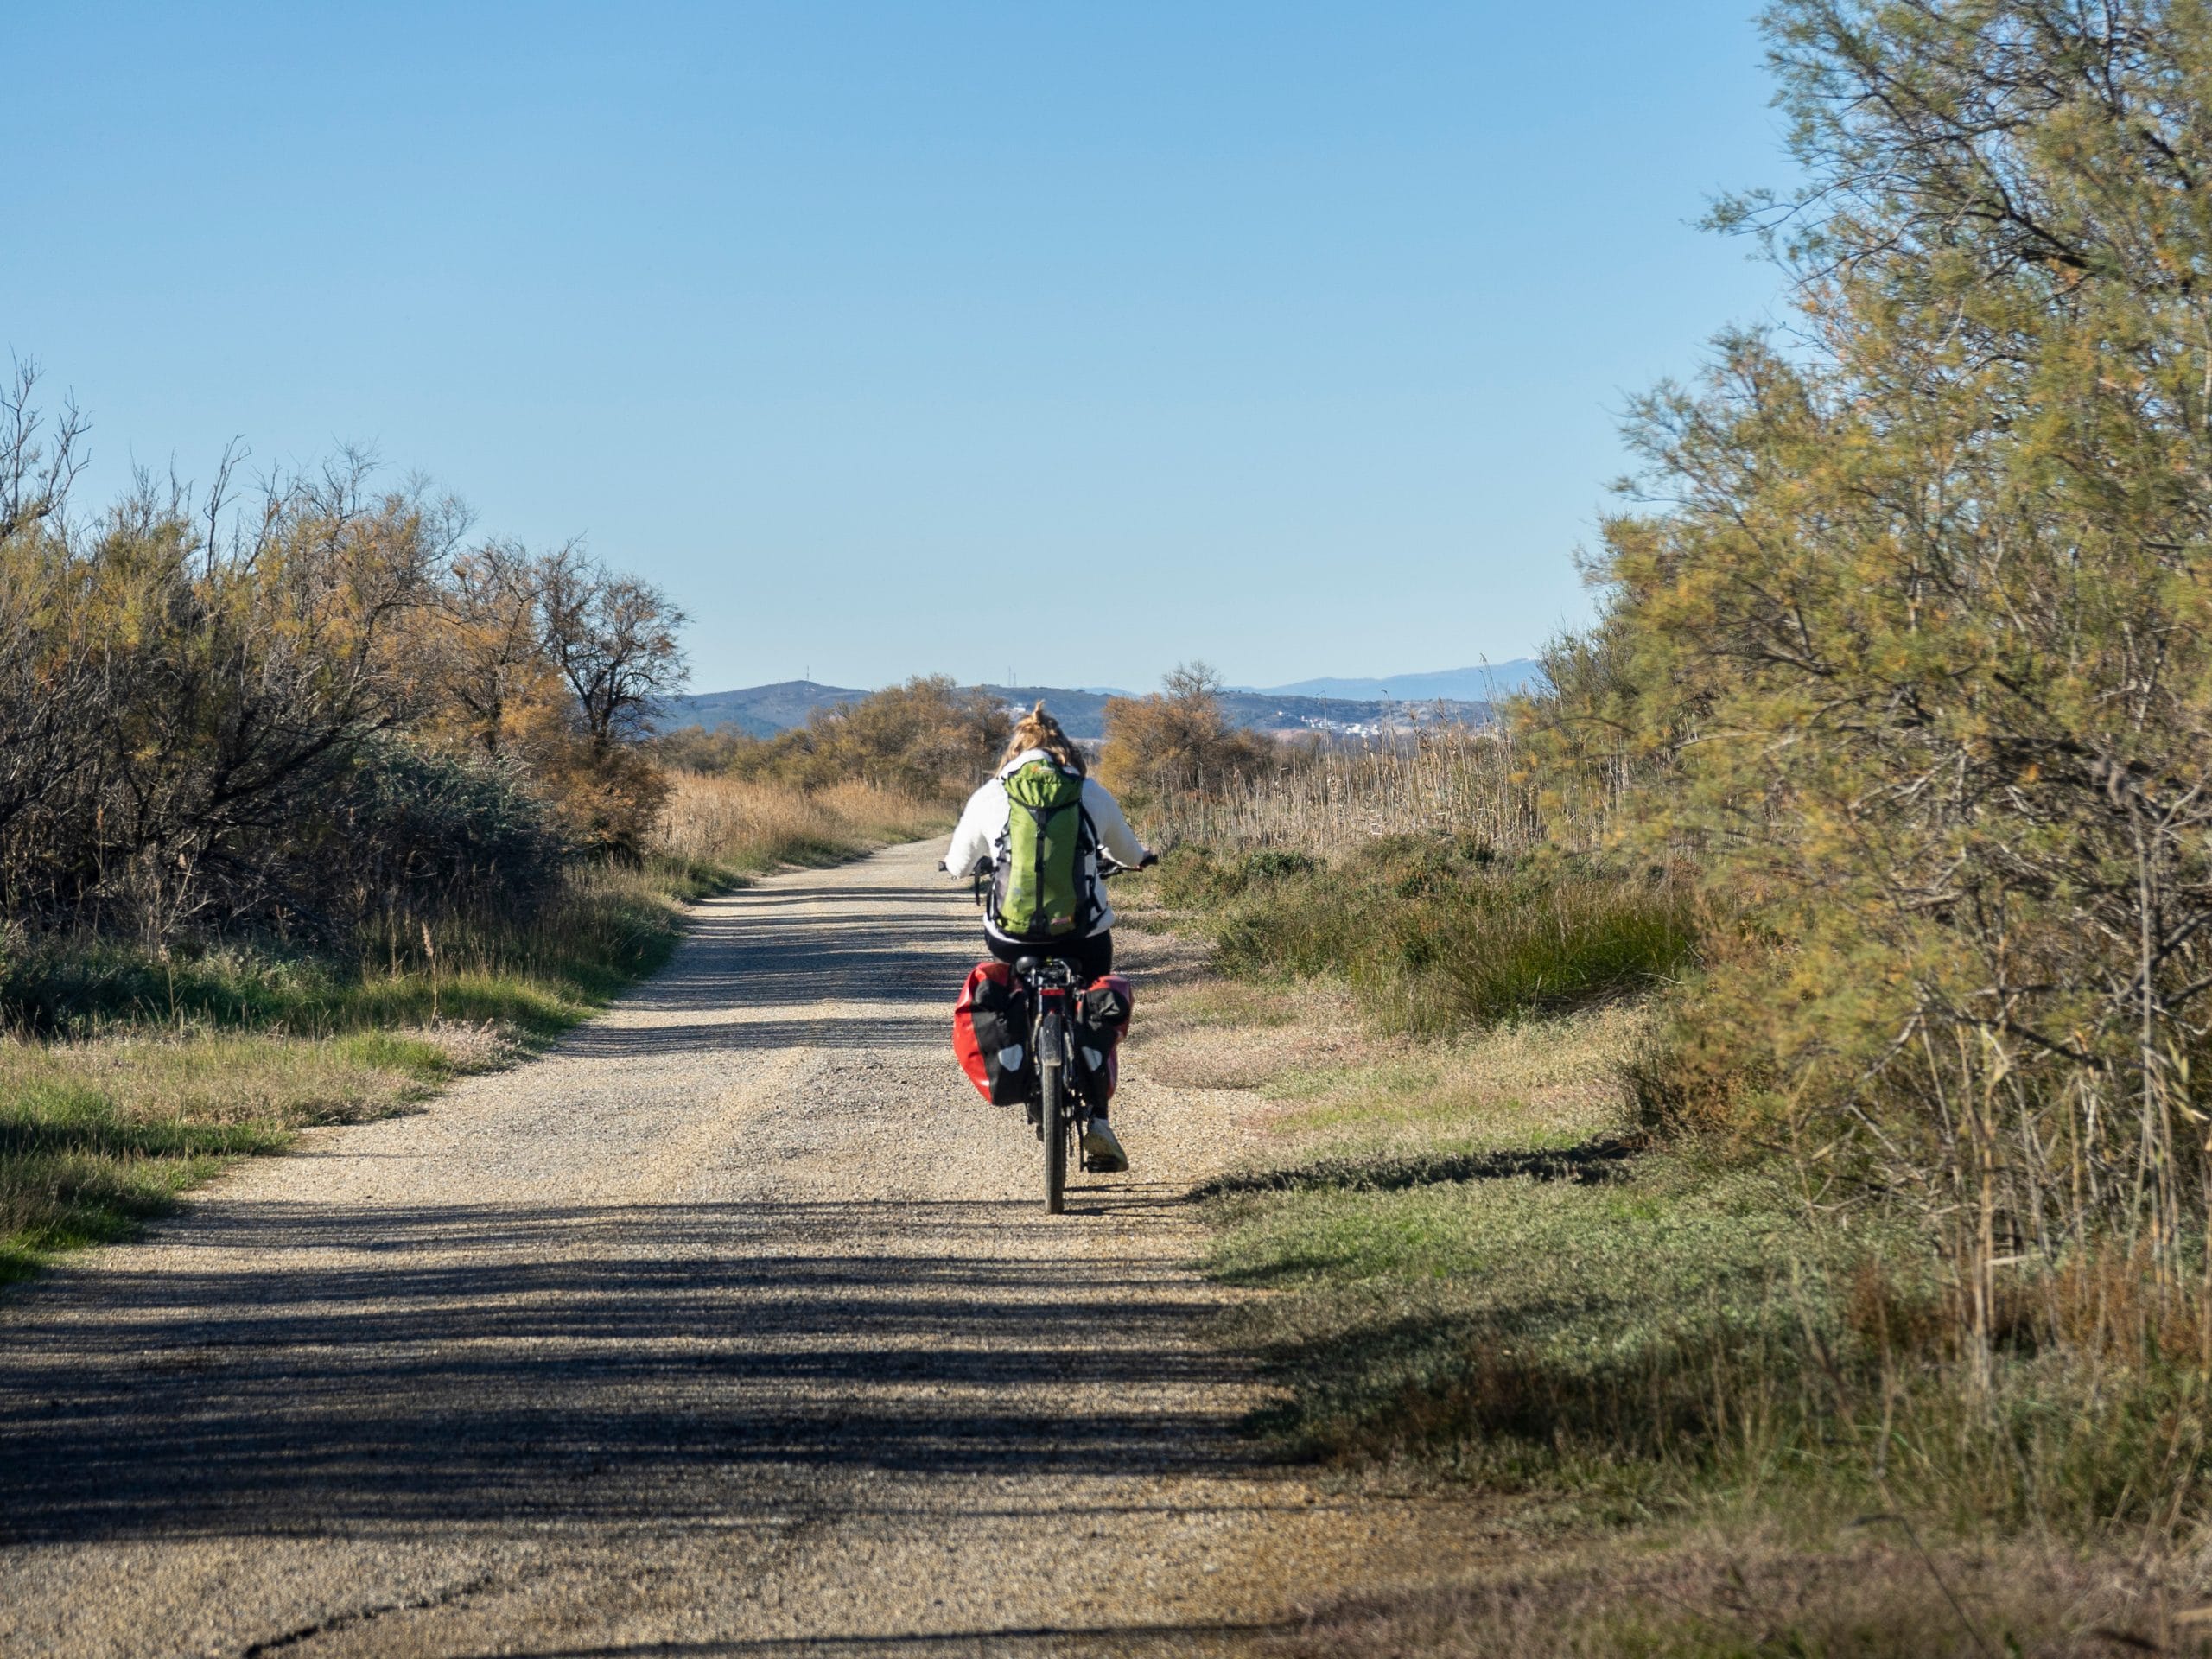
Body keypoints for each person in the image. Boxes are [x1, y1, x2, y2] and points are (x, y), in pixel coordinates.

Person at [943, 702, 1154, 1173]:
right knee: (1096, 999)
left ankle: (1023, 1064)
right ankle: (1098, 1116)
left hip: (1011, 937)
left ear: (1014, 752)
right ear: (1066, 751)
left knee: (1011, 993)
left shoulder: (990, 794)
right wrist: (1141, 859)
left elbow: (958, 863)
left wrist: (955, 866)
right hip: (1084, 931)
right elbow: (1126, 850)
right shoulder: (1088, 792)